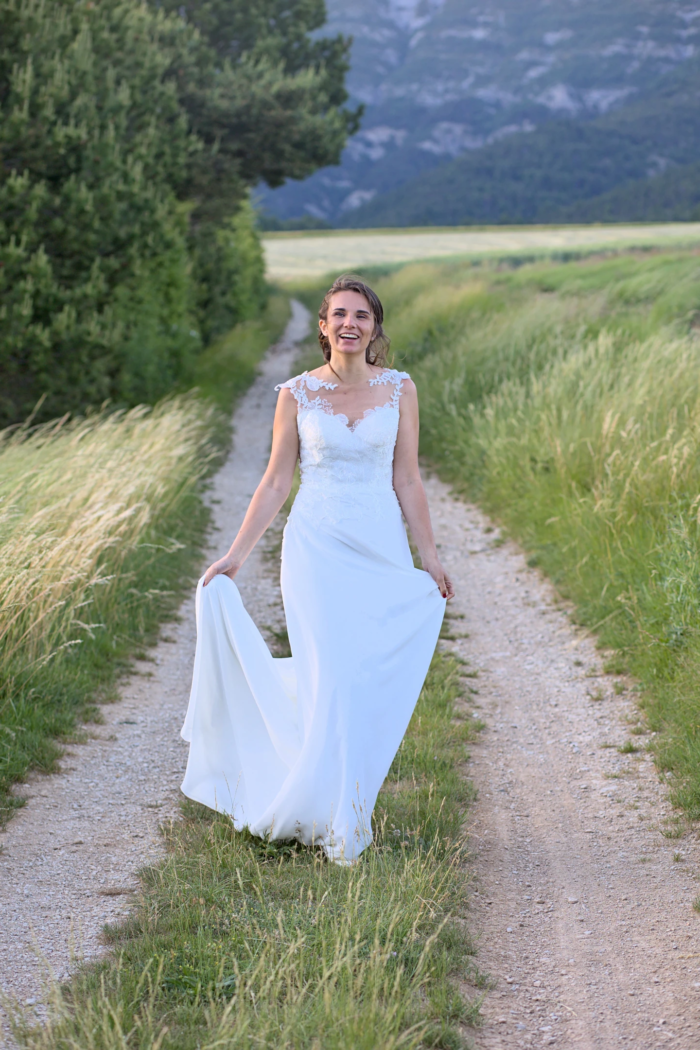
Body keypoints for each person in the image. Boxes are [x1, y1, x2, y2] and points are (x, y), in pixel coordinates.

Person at [180, 274, 454, 863]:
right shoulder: (297, 394)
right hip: (316, 551)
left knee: (363, 678)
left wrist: (429, 557)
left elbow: (407, 478)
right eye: (340, 315)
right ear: (324, 327)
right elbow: (276, 481)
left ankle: (344, 800)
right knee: (330, 676)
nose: (350, 324)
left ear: (375, 328)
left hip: (380, 546)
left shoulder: (400, 389)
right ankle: (341, 820)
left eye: (362, 315)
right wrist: (235, 555)